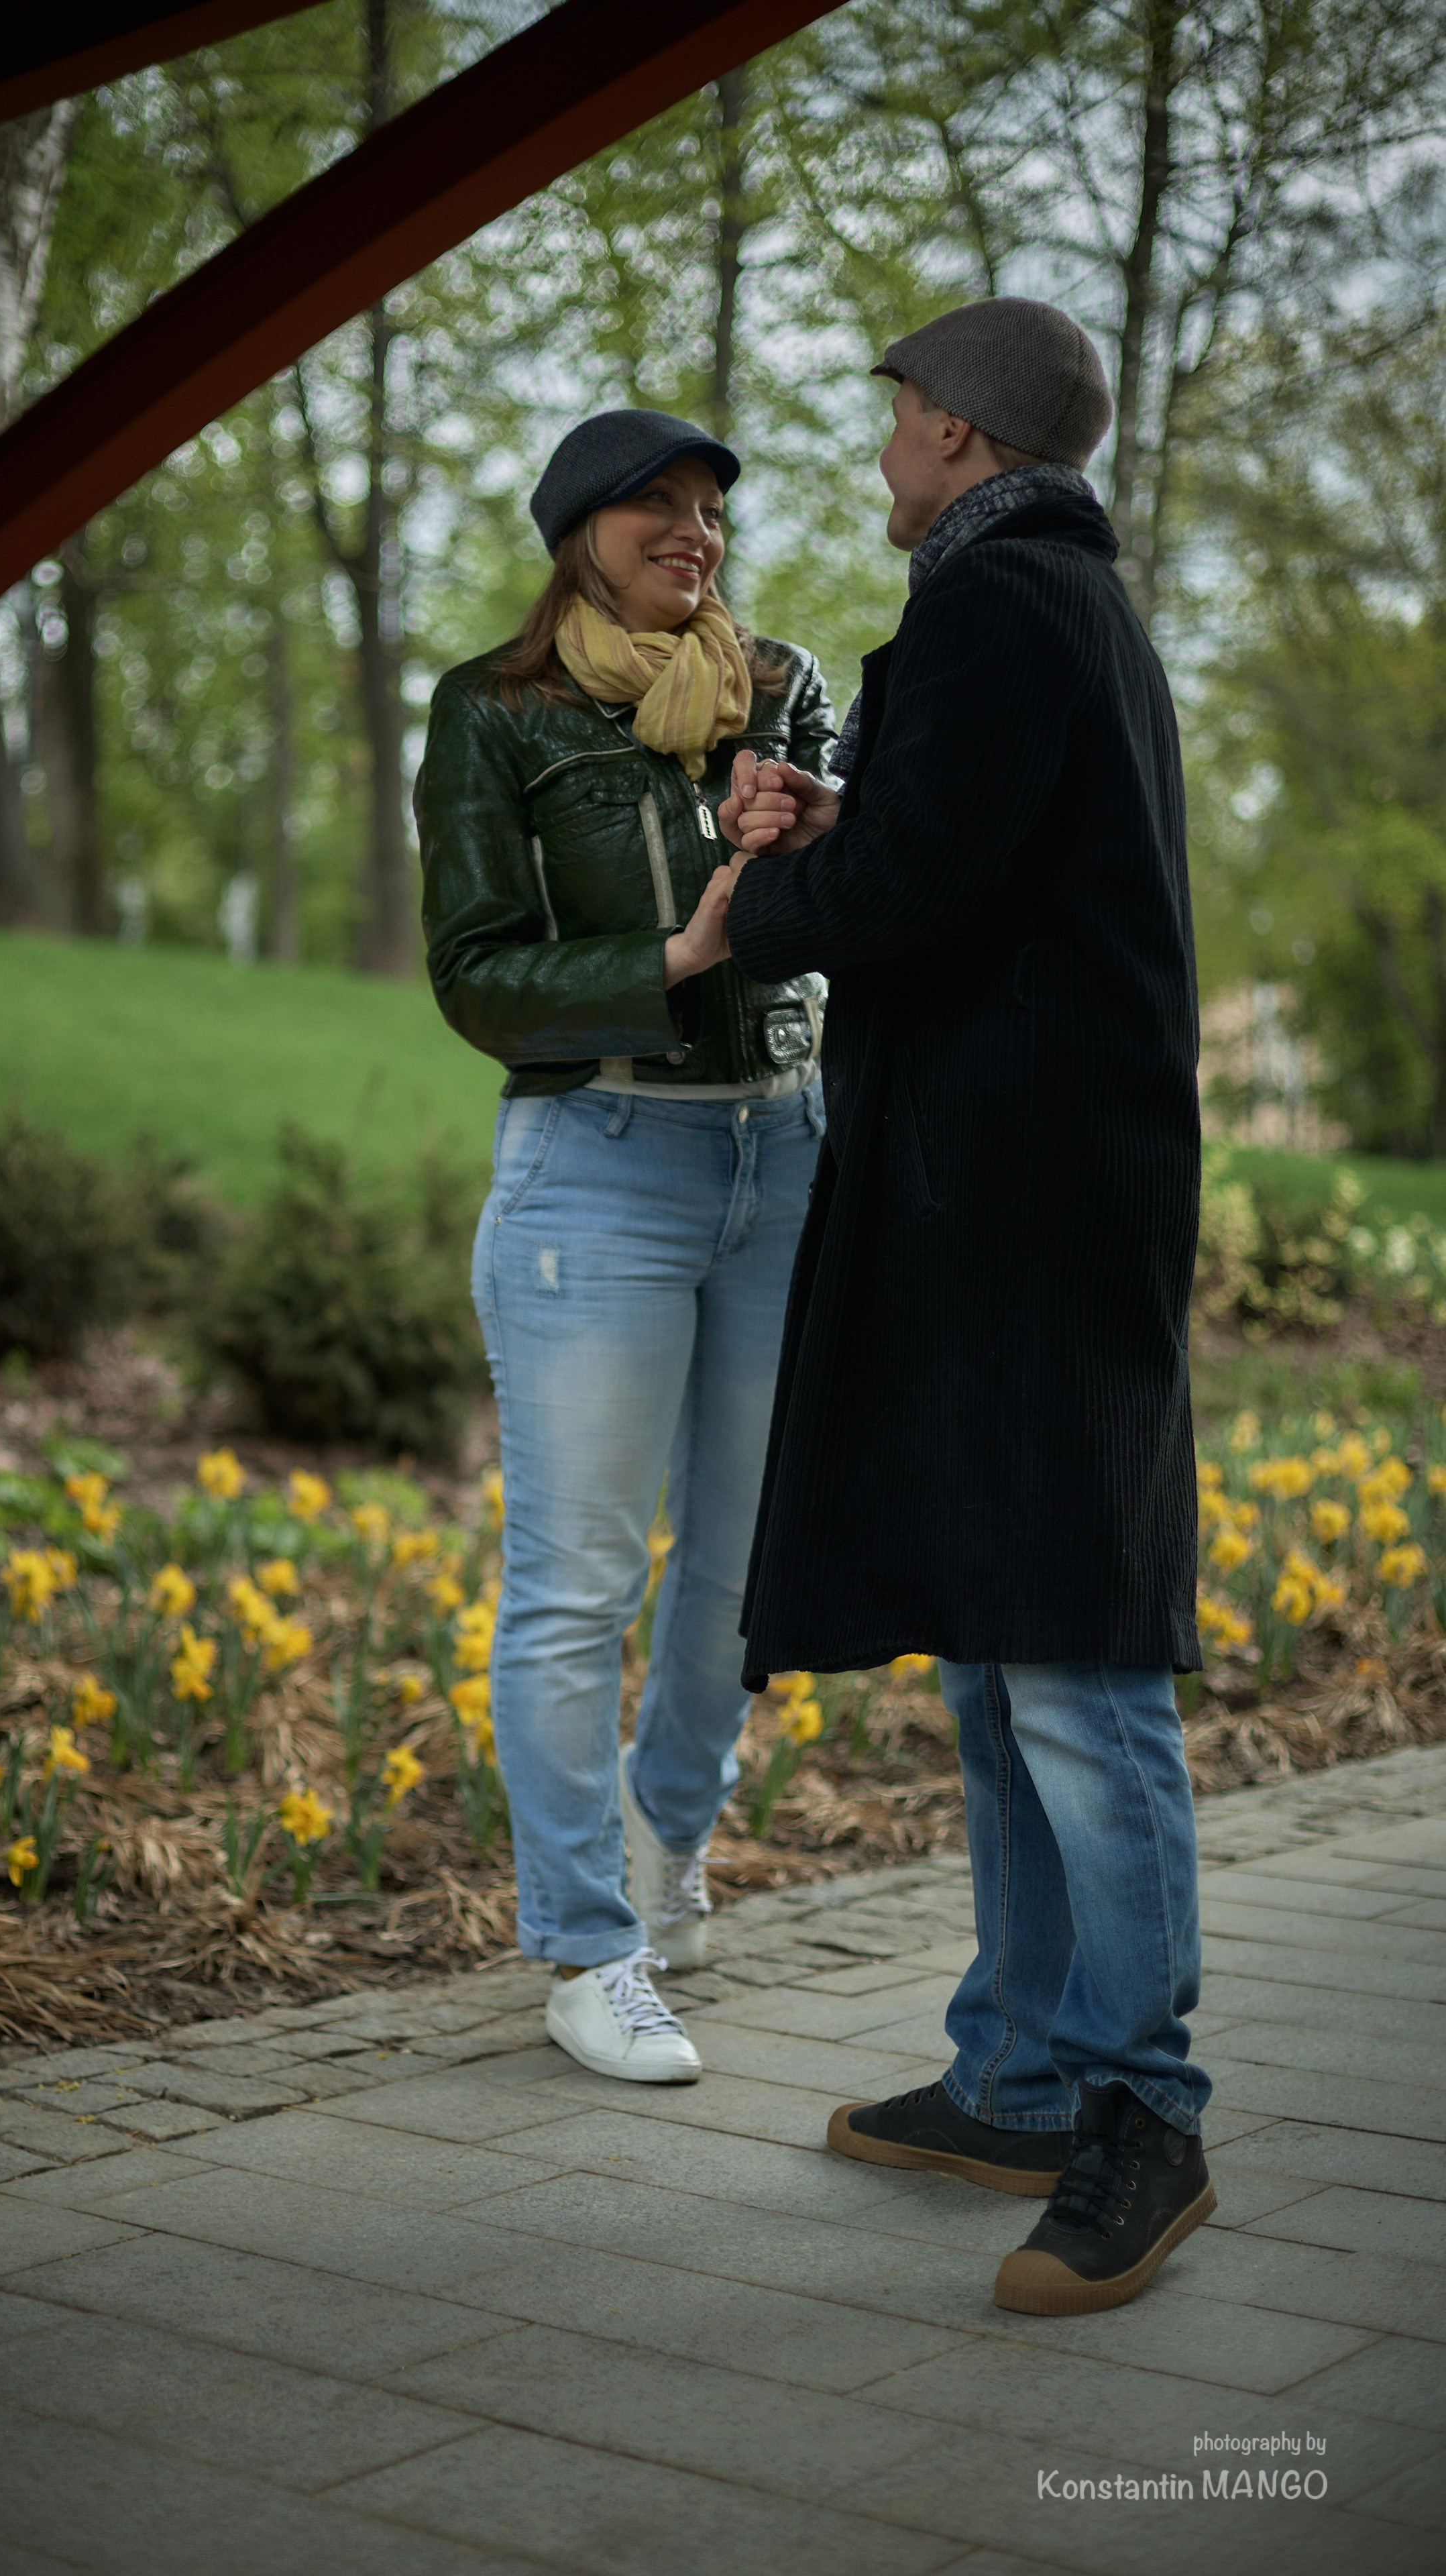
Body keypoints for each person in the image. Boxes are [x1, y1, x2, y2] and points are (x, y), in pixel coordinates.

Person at [711, 299, 1211, 2315]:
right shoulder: (1044, 608)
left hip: (1031, 1217)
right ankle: (1016, 2073)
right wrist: (860, 834)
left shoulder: (1008, 610)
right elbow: (969, 860)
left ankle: (1146, 2114)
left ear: (957, 434)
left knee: (1080, 1667)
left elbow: (921, 896)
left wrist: (757, 905)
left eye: (898, 418)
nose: (885, 448)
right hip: (1015, 1202)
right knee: (1009, 1654)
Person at [417, 409, 836, 2084]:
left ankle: (668, 1857)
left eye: (709, 509)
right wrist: (674, 950)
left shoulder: (783, 684)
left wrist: (812, 834)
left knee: (740, 1576)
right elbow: (471, 970)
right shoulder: (497, 713)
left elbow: (871, 880)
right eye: (655, 505)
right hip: (596, 1159)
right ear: (578, 530)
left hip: (784, 1157)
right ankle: (583, 1950)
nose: (693, 532)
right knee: (578, 1583)